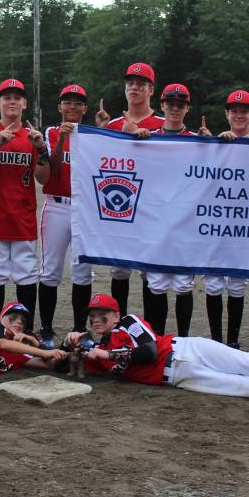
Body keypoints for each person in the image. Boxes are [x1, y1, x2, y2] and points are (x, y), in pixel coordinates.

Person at [61, 294, 249, 402]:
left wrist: (109, 353)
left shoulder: (128, 323)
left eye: (103, 315)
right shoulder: (95, 350)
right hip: (177, 378)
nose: (97, 320)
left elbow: (149, 352)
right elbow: (63, 365)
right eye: (92, 317)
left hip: (185, 351)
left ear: (115, 315)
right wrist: (69, 342)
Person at [0, 78, 50, 338]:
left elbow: (43, 178)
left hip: (22, 217)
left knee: (26, 274)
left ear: (24, 104)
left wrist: (41, 148)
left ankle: (26, 330)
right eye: (6, 97)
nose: (12, 101)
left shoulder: (32, 137)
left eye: (17, 97)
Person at [95, 62, 166, 319]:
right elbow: (99, 160)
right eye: (130, 84)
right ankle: (119, 326)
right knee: (119, 269)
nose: (134, 88)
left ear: (151, 90)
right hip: (121, 204)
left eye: (140, 84)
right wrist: (101, 131)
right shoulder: (113, 124)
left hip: (151, 205)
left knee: (150, 270)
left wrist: (139, 136)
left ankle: (150, 330)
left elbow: (169, 162)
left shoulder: (162, 123)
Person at [137, 83, 197, 336]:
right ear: (162, 106)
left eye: (180, 105)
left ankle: (182, 339)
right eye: (170, 104)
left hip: (185, 221)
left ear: (187, 108)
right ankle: (157, 337)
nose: (175, 109)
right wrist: (135, 141)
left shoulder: (198, 141)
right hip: (155, 220)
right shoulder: (149, 137)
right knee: (157, 282)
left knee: (183, 284)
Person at [37, 84, 93, 345]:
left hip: (86, 208)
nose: (72, 106)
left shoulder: (94, 134)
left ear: (85, 108)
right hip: (58, 205)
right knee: (50, 271)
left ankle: (80, 329)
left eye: (78, 102)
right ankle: (47, 329)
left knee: (83, 271)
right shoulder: (50, 131)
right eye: (67, 102)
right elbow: (54, 168)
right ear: (60, 107)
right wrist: (61, 138)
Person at [201, 90, 249, 349]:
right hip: (215, 222)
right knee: (212, 283)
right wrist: (213, 145)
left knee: (236, 284)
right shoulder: (216, 143)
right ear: (227, 114)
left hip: (243, 223)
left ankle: (232, 341)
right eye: (234, 110)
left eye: (244, 110)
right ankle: (216, 341)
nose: (239, 114)